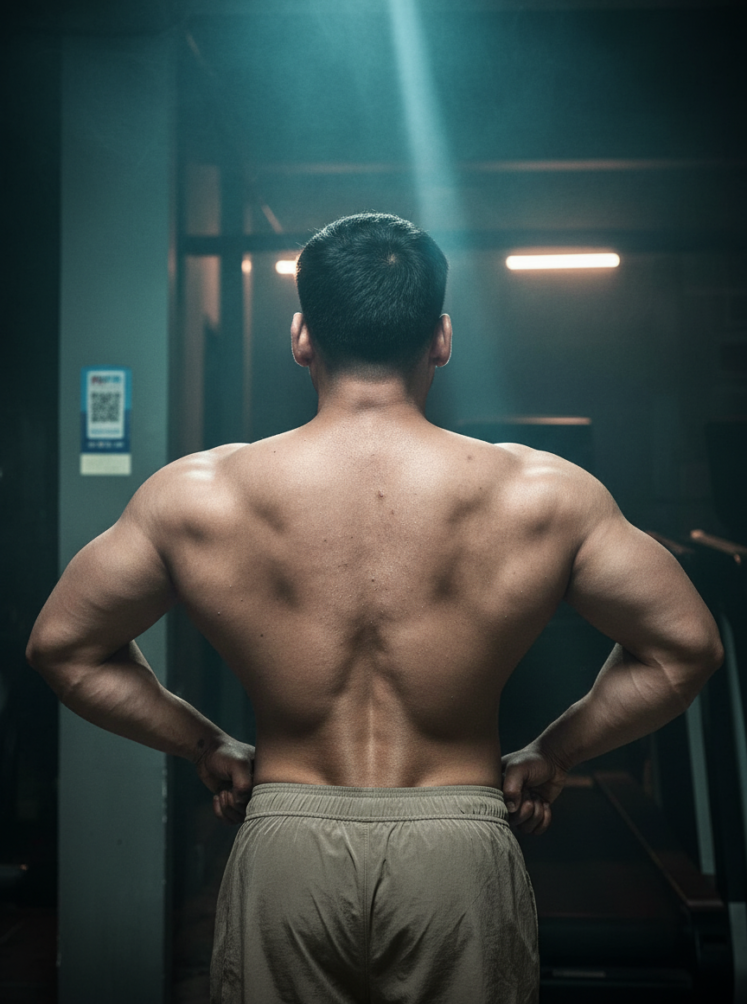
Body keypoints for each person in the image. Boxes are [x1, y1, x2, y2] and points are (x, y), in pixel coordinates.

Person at [27, 213, 722, 1004]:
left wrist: (203, 744)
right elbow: (684, 648)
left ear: (300, 335)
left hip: (287, 847)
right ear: (441, 338)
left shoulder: (199, 495)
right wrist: (553, 754)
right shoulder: (543, 496)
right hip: (456, 852)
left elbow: (63, 647)